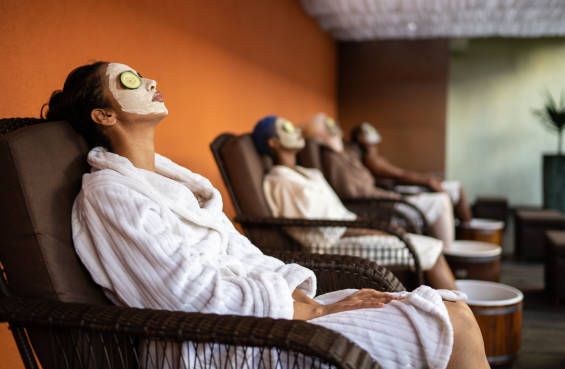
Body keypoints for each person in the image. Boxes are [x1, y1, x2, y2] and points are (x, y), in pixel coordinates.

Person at [42, 61, 490, 369]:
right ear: (103, 113)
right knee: (451, 321)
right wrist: (304, 313)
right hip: (213, 344)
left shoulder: (169, 182)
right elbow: (183, 297)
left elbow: (243, 253)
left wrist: (303, 301)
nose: (148, 79)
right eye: (130, 80)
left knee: (447, 312)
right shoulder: (110, 193)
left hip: (263, 317)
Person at [253, 115, 457, 290]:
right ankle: (464, 319)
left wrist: (376, 227)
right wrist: (376, 230)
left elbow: (339, 214)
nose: (296, 130)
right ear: (273, 142)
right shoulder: (281, 181)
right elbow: (319, 233)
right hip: (334, 248)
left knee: (429, 248)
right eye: (287, 128)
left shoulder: (307, 173)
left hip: (349, 231)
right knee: (433, 252)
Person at [305, 113, 456, 249]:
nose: (336, 127)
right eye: (329, 126)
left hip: (388, 200)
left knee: (442, 197)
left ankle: (446, 252)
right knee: (441, 201)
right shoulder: (332, 159)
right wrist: (392, 197)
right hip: (382, 207)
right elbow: (352, 192)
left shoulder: (346, 153)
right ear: (321, 133)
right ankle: (449, 254)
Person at [350, 122, 473, 222]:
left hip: (404, 187)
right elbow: (399, 175)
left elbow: (401, 173)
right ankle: (469, 233)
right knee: (455, 189)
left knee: (455, 188)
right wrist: (427, 180)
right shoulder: (371, 161)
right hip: (399, 190)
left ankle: (468, 229)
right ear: (361, 139)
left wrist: (428, 177)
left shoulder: (374, 157)